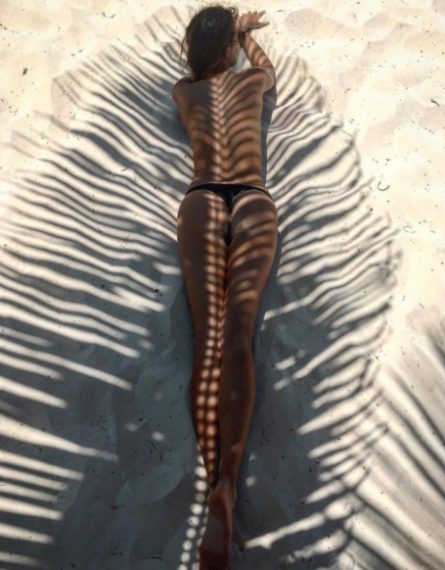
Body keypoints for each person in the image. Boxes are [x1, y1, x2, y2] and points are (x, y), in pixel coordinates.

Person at [173, 6, 278, 568]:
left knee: (207, 339)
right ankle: (230, 484)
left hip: (202, 199)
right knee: (238, 336)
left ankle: (211, 475)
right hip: (252, 197)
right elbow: (268, 69)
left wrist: (223, 36)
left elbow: (197, 71)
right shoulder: (253, 81)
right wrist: (246, 36)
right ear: (230, 50)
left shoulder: (183, 92)